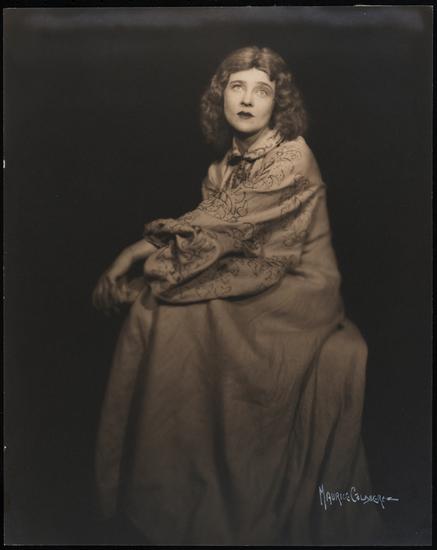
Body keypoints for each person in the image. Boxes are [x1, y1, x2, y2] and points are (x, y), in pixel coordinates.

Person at [92, 46, 383, 545]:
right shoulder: (222, 167)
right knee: (156, 308)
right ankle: (167, 489)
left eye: (262, 90)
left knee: (183, 313)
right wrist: (153, 266)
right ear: (220, 96)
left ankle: (218, 498)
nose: (247, 100)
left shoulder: (293, 155)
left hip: (300, 286)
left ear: (278, 104)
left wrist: (133, 252)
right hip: (250, 274)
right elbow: (212, 237)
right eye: (237, 87)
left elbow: (220, 224)